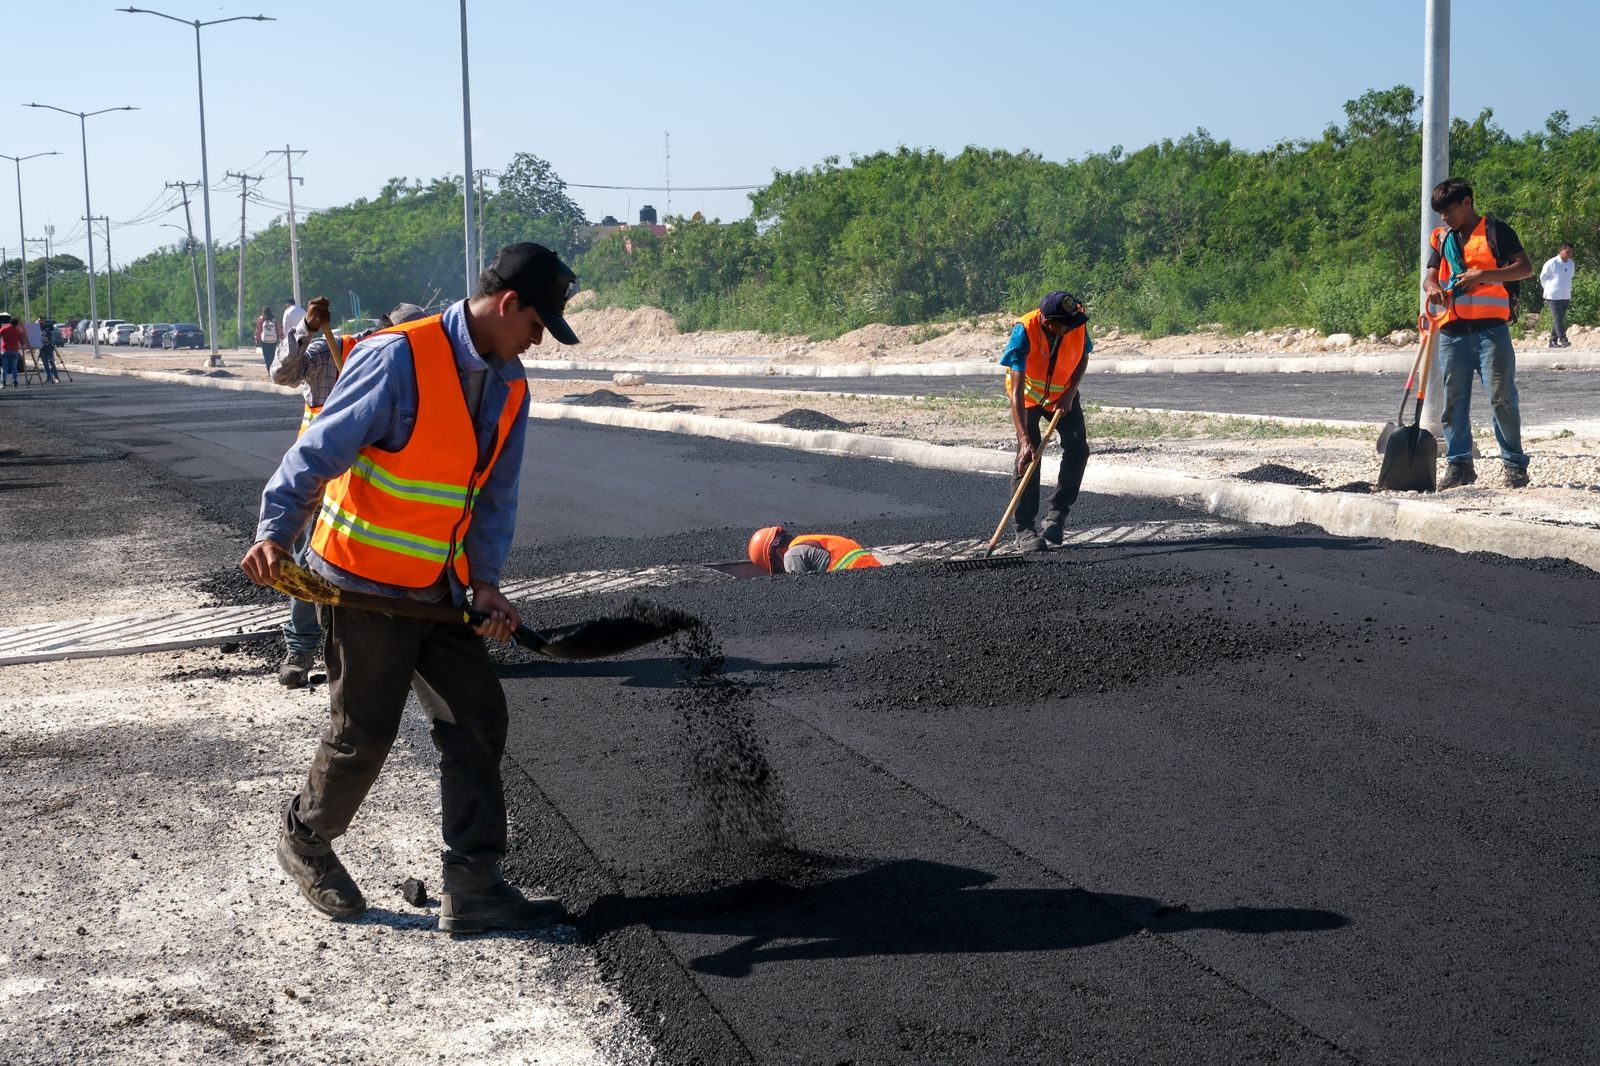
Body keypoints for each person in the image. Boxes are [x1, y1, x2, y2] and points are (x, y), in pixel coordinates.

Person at [240, 242, 581, 931]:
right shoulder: (399, 357)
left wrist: (484, 584)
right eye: (537, 326)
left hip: (437, 589)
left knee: (477, 716)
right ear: (509, 304)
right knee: (364, 733)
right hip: (360, 581)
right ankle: (305, 837)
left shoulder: (510, 383)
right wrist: (275, 530)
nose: (538, 342)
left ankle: (473, 883)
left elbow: (494, 496)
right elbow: (316, 452)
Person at [267, 298, 427, 687]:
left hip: (377, 485)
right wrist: (306, 327)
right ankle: (301, 649)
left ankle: (397, 649)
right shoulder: (335, 351)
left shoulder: (418, 367)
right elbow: (283, 373)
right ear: (386, 332)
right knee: (311, 561)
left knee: (387, 562)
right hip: (323, 481)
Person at [1424, 178, 1535, 490]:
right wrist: (1432, 289)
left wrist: (1484, 274)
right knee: (1453, 403)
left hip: (1491, 333)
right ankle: (1459, 466)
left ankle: (1514, 466)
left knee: (1502, 399)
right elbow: (1431, 277)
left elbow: (1524, 268)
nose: (1445, 217)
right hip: (1452, 334)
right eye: (1441, 213)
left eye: (1450, 210)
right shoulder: (1442, 238)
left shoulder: (1496, 231)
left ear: (1467, 203)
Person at [999, 291, 1093, 551]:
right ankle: (1024, 530)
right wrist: (1023, 438)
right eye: (1063, 325)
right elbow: (1016, 391)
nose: (1069, 330)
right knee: (1028, 456)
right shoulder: (1024, 331)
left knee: (1078, 448)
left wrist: (1069, 393)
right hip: (1028, 398)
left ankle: (1056, 516)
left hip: (1062, 393)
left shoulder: (1075, 323)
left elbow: (1083, 356)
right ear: (1047, 321)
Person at [747, 526, 882, 574]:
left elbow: (804, 588)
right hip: (875, 569)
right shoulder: (810, 540)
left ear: (779, 553)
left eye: (777, 568)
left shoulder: (790, 556)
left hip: (855, 577)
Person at [1539, 244, 1575, 348]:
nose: (1569, 254)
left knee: (1559, 318)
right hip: (1553, 295)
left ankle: (1552, 341)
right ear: (1561, 251)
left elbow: (1570, 276)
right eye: (1568, 252)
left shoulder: (1571, 264)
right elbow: (1543, 277)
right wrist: (1548, 289)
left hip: (1566, 294)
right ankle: (1563, 339)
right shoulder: (1552, 263)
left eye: (1571, 252)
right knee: (1557, 317)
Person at [0, 313, 32, 388]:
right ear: (17, 324)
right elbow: (22, 343)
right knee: (14, 368)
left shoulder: (4, 329)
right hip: (14, 351)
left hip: (5, 351)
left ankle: (3, 383)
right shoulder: (18, 332)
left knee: (4, 368)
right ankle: (15, 382)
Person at [34, 315, 61, 383]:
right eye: (39, 321)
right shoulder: (37, 330)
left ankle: (56, 377)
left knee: (51, 362)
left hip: (49, 347)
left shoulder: (48, 328)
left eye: (41, 321)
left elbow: (51, 338)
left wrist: (48, 338)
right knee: (45, 364)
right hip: (42, 348)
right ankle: (48, 377)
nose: (40, 322)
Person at [254, 305, 280, 369]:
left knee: (267, 356)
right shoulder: (274, 319)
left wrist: (257, 339)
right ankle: (274, 368)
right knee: (273, 354)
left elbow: (258, 330)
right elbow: (279, 329)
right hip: (274, 340)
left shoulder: (260, 319)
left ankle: (269, 370)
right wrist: (281, 337)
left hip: (264, 340)